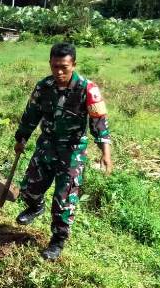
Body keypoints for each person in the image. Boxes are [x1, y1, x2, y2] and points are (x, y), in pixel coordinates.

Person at [13, 42, 112, 261]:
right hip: (46, 145)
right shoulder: (44, 86)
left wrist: (106, 152)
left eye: (64, 67)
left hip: (72, 151)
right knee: (29, 188)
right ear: (50, 63)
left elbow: (99, 122)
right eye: (55, 66)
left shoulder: (87, 89)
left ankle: (57, 242)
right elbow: (31, 115)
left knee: (64, 199)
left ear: (73, 65)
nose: (59, 72)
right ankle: (36, 207)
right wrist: (21, 138)